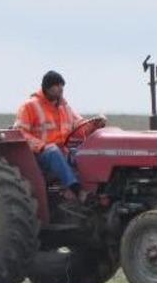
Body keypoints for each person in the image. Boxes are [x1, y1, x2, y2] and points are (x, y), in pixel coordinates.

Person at [13, 70, 105, 200]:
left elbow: (79, 126)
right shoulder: (30, 106)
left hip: (62, 151)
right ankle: (76, 190)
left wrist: (94, 125)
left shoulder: (64, 107)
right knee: (53, 151)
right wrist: (41, 146)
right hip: (39, 154)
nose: (61, 88)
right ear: (47, 87)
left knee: (84, 153)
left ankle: (98, 191)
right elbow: (20, 132)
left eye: (62, 85)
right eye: (57, 85)